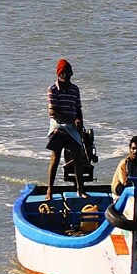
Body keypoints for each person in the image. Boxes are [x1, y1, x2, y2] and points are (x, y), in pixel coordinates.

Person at [45, 59, 87, 202]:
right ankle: (49, 189)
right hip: (58, 125)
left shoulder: (75, 89)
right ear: (58, 74)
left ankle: (80, 190)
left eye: (68, 73)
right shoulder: (53, 89)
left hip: (72, 127)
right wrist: (70, 119)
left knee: (78, 155)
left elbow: (78, 108)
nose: (66, 76)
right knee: (55, 157)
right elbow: (52, 112)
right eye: (63, 73)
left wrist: (79, 122)